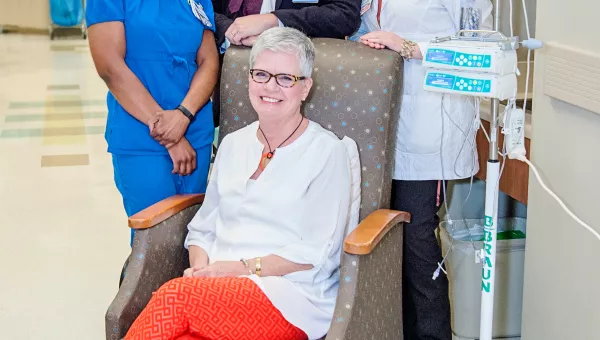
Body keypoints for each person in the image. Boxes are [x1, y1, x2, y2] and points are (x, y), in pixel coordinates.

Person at [124, 27, 353, 340]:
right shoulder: (232, 144)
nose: (270, 86)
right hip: (216, 289)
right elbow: (203, 229)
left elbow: (318, 252)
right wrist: (201, 271)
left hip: (289, 297)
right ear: (249, 79)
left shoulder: (327, 151)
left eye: (286, 78)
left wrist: (236, 269)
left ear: (305, 88)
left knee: (175, 297)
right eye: (261, 74)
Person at [350, 1, 493, 339]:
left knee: (416, 243)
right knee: (378, 242)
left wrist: (411, 48)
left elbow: (483, 53)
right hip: (375, 128)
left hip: (428, 130)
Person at [86, 0, 220, 244]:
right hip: (142, 135)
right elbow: (110, 66)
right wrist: (169, 134)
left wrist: (183, 114)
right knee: (154, 244)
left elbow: (209, 61)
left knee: (195, 238)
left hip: (194, 131)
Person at [211, 0, 362, 50]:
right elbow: (203, 9)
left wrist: (274, 21)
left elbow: (344, 14)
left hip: (302, 77)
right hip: (230, 71)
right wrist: (232, 30)